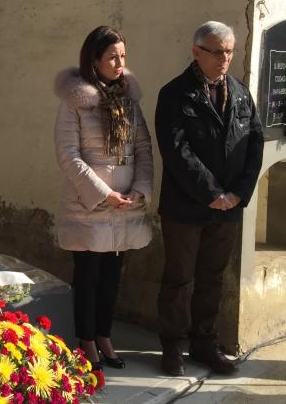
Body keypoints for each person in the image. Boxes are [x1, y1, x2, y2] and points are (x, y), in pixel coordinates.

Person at [154, 21, 264, 376]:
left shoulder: (241, 92)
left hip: (229, 206)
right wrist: (211, 193)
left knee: (212, 278)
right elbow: (176, 151)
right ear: (196, 52)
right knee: (178, 278)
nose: (225, 59)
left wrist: (238, 194)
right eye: (217, 51)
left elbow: (254, 145)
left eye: (229, 51)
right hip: (186, 207)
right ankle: (172, 346)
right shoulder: (175, 94)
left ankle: (205, 343)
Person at [54, 26, 154, 370]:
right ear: (94, 60)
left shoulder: (129, 100)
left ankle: (104, 335)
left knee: (113, 274)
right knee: (88, 275)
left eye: (123, 56)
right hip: (90, 205)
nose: (119, 63)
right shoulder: (75, 102)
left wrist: (139, 188)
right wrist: (104, 193)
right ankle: (86, 338)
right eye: (112, 56)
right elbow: (69, 155)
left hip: (124, 202)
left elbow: (142, 147)